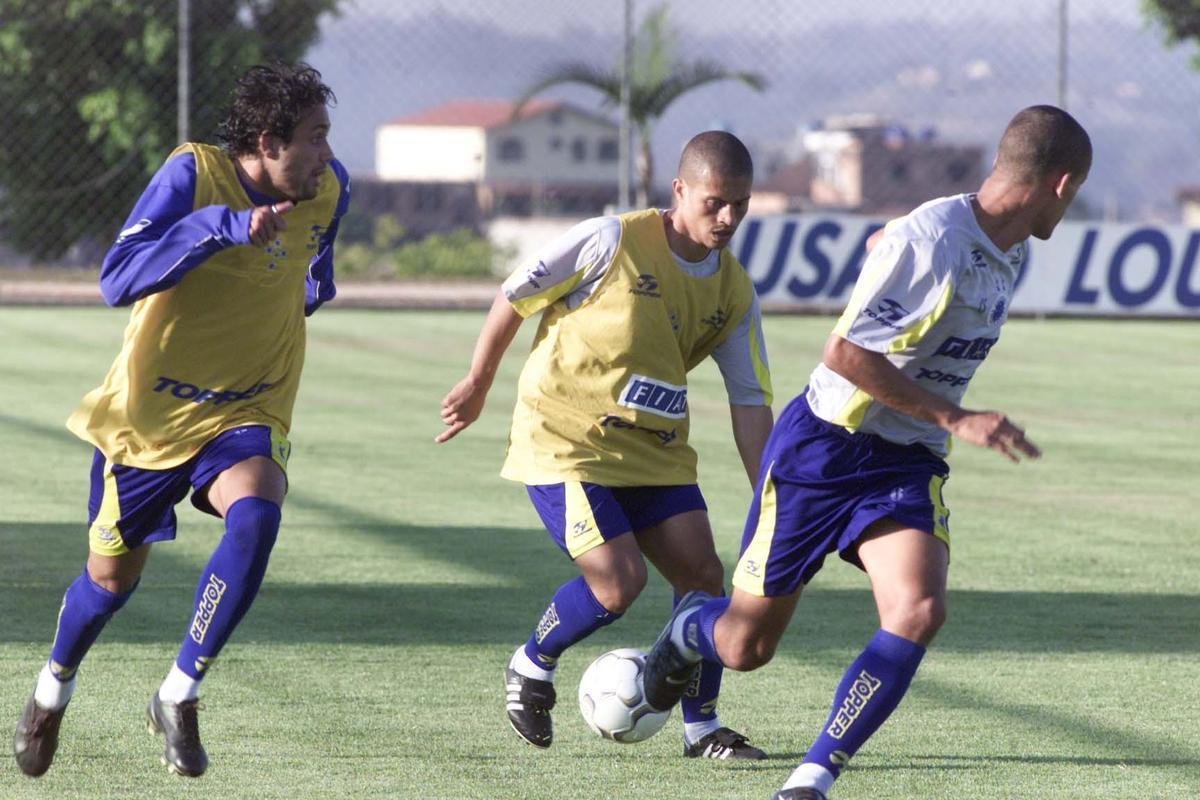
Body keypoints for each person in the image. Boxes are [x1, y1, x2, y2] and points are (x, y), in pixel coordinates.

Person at [641, 105, 1092, 799]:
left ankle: (813, 775)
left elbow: (899, 249)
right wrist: (957, 415)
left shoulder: (1004, 243)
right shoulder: (937, 239)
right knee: (743, 646)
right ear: (1061, 185)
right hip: (824, 448)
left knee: (917, 609)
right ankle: (682, 638)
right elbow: (846, 353)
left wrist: (888, 252)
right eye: (1077, 191)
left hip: (903, 460)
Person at [12, 62, 350, 779]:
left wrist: (300, 293)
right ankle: (51, 689)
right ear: (267, 141)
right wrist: (226, 229)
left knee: (256, 516)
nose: (327, 154)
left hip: (249, 410)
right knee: (108, 584)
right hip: (150, 418)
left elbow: (314, 275)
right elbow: (117, 277)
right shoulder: (194, 175)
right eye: (314, 138)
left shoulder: (329, 190)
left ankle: (178, 692)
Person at [437, 131, 775, 759]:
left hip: (656, 453)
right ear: (679, 191)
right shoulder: (610, 240)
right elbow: (514, 297)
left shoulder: (733, 292)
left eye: (741, 204)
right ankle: (532, 664)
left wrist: (775, 498)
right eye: (714, 202)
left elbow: (750, 403)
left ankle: (702, 729)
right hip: (567, 442)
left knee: (704, 577)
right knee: (619, 584)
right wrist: (479, 382)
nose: (728, 218)